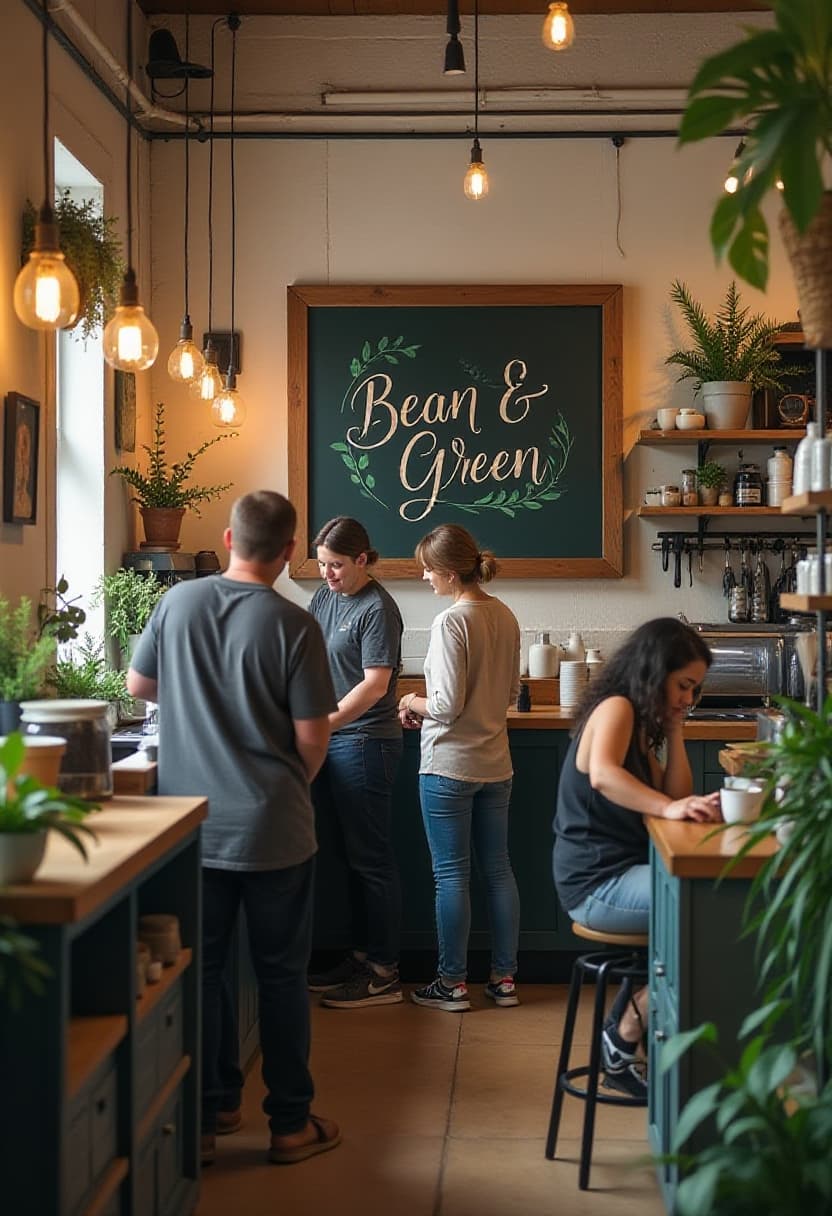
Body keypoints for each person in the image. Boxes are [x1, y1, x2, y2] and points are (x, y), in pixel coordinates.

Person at [127, 490, 342, 1167]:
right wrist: (282, 781)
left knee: (206, 970)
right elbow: (314, 739)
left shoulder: (176, 604)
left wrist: (199, 699)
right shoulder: (294, 624)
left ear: (226, 538)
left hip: (193, 827)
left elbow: (138, 686)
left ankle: (209, 1114)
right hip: (274, 824)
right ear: (287, 552)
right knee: (281, 978)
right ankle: (288, 1126)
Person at [552, 616, 722, 1097]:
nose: (689, 697)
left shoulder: (643, 720)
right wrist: (672, 806)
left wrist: (676, 728)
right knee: (707, 908)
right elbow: (605, 776)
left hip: (621, 874)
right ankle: (625, 1029)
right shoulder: (616, 709)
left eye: (695, 690)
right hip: (596, 883)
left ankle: (628, 1030)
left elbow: (673, 794)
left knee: (704, 907)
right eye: (684, 685)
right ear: (655, 670)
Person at [400, 523, 521, 1012]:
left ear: (450, 573)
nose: (425, 578)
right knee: (498, 871)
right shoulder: (506, 615)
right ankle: (505, 980)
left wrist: (409, 698)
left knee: (451, 877)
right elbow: (512, 695)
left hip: (449, 766)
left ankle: (451, 984)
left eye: (428, 570)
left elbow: (445, 706)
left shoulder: (452, 622)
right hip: (497, 765)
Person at [307, 516, 405, 1008]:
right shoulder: (326, 596)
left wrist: (324, 723)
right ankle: (361, 955)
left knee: (372, 860)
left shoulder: (377, 609)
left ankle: (384, 971)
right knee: (347, 859)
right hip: (332, 738)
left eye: (337, 565)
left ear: (363, 560)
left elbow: (374, 685)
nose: (327, 574)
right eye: (323, 564)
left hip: (365, 741)